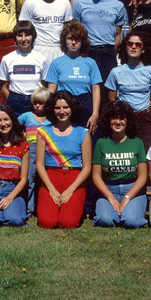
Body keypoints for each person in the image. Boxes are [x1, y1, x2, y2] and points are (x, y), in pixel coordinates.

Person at [35, 91, 92, 229]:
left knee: (68, 223)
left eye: (65, 107)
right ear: (52, 110)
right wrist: (52, 190)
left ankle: (75, 207)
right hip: (50, 178)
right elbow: (39, 164)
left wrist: (70, 190)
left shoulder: (83, 133)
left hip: (74, 179)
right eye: (57, 108)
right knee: (47, 222)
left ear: (72, 108)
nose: (62, 111)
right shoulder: (43, 132)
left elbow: (87, 167)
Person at [91, 100, 148, 229]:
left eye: (122, 118)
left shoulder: (137, 142)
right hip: (109, 189)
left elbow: (143, 176)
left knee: (131, 222)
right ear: (108, 120)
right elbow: (96, 176)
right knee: (106, 220)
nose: (118, 122)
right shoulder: (101, 143)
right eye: (114, 118)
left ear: (128, 121)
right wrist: (111, 198)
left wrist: (127, 197)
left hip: (132, 189)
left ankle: (132, 211)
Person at [104, 31, 151, 154]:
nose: (134, 47)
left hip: (144, 118)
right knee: (125, 153)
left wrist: (146, 111)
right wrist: (121, 114)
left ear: (144, 49)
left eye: (138, 44)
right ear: (125, 47)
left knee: (145, 154)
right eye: (130, 44)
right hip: (124, 119)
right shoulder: (116, 71)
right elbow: (112, 98)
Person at [44, 20, 102, 129]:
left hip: (85, 105)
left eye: (77, 39)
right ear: (64, 41)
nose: (73, 42)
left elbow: (95, 89)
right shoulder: (56, 63)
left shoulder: (90, 62)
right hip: (64, 105)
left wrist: (95, 114)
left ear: (82, 41)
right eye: (70, 39)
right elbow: (51, 91)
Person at [73, 0, 125, 84]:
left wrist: (114, 51)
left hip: (107, 53)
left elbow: (118, 35)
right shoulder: (80, 4)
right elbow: (76, 31)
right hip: (87, 52)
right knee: (86, 86)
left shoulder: (118, 5)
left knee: (107, 90)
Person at [19, 0, 73, 67]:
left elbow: (68, 31)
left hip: (59, 51)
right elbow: (24, 32)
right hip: (37, 50)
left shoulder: (64, 3)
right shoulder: (30, 3)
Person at [0, 20, 47, 116]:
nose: (23, 39)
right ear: (15, 37)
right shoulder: (7, 59)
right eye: (20, 35)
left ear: (33, 36)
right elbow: (3, 87)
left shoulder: (42, 59)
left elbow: (44, 85)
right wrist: (12, 100)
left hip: (35, 102)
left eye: (27, 35)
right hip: (15, 102)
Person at [15, 87, 51, 213]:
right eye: (35, 103)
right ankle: (28, 208)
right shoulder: (27, 116)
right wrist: (22, 134)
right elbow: (15, 125)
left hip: (46, 152)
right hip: (30, 151)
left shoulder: (51, 119)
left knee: (43, 181)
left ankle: (41, 207)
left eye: (40, 103)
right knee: (29, 180)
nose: (37, 106)